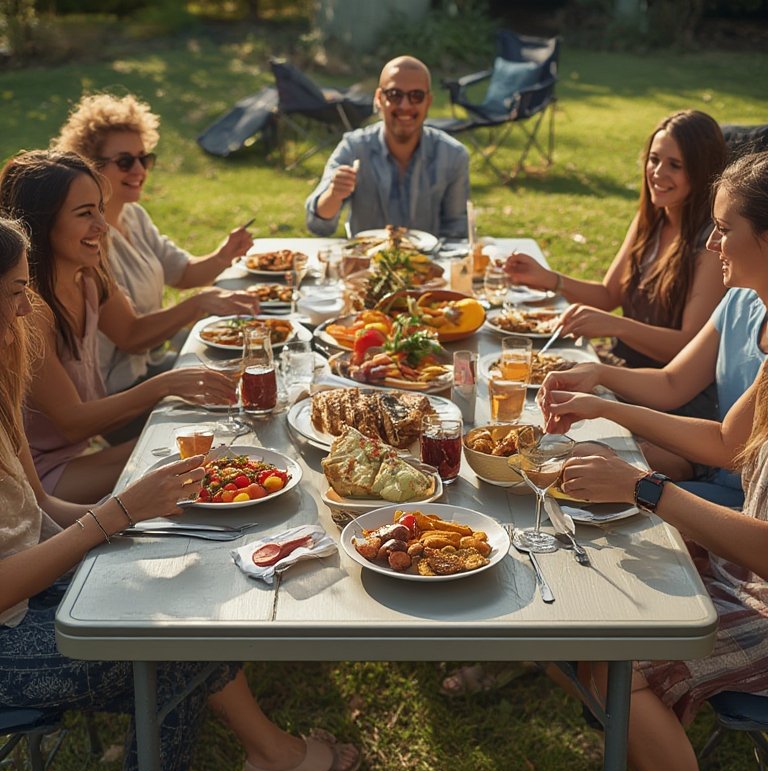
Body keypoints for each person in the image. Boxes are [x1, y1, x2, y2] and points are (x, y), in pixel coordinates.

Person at [0, 216, 360, 771]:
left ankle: (268, 755)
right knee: (168, 651)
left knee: (204, 583)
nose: (25, 310)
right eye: (13, 295)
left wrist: (140, 522)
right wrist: (114, 517)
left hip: (34, 589)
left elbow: (36, 506)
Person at [538, 151, 768, 771]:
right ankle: (653, 757)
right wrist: (604, 404)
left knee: (607, 650)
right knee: (572, 591)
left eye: (725, 229)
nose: (713, 245)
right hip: (748, 556)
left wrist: (643, 486)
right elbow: (727, 443)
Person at [0, 149, 248, 504]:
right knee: (188, 457)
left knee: (204, 445)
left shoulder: (88, 275)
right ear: (41, 223)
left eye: (101, 209)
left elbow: (131, 334)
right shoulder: (29, 310)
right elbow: (73, 422)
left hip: (76, 456)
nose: (102, 226)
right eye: (86, 214)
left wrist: (197, 303)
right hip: (41, 477)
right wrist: (163, 384)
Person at [540, 151, 768, 507]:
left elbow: (728, 446)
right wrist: (597, 375)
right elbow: (672, 383)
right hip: (712, 477)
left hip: (745, 507)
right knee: (565, 465)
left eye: (723, 230)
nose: (710, 244)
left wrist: (605, 407)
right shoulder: (740, 301)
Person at [505, 110, 728, 425]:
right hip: (620, 370)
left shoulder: (710, 245)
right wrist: (549, 279)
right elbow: (610, 294)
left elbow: (685, 346)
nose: (658, 173)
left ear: (701, 171)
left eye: (675, 165)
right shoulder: (651, 220)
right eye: (654, 159)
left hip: (668, 400)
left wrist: (616, 326)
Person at [53, 92, 255, 395]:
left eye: (144, 158)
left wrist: (224, 255)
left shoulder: (134, 215)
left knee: (246, 371)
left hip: (149, 367)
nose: (139, 170)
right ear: (89, 165)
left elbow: (183, 273)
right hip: (116, 391)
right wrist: (200, 303)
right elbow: (129, 335)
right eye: (125, 161)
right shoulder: (86, 239)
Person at [305, 55, 469, 239]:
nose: (405, 105)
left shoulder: (453, 155)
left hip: (428, 264)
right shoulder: (355, 148)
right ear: (379, 98)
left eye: (416, 96)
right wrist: (334, 194)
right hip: (368, 264)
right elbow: (317, 224)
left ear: (428, 101)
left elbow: (457, 231)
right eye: (394, 95)